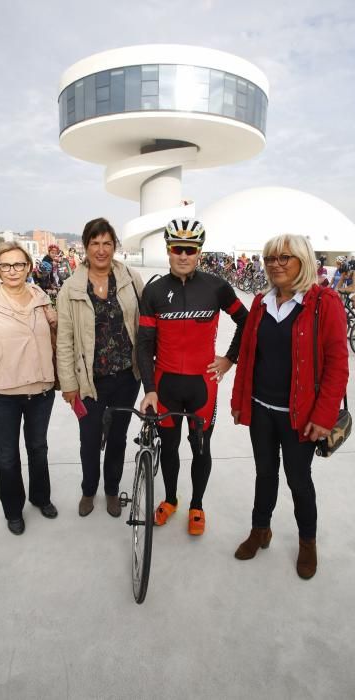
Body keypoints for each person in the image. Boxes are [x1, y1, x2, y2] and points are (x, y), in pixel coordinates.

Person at [231, 234, 348, 580]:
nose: (276, 264)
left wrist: (325, 417)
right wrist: (240, 402)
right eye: (270, 258)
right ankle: (260, 530)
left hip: (301, 418)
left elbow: (337, 367)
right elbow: (249, 357)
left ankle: (307, 543)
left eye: (285, 257)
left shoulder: (323, 303)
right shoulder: (260, 303)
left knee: (299, 481)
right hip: (262, 411)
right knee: (264, 474)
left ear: (303, 260)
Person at [138, 218, 248, 536]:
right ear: (168, 250)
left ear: (199, 251)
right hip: (166, 386)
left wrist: (229, 360)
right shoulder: (154, 291)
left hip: (203, 386)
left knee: (201, 449)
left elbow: (246, 320)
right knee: (169, 448)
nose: (183, 255)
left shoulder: (216, 287)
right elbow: (145, 344)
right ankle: (171, 499)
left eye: (190, 249)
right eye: (176, 249)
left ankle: (196, 505)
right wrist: (149, 389)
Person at [0, 242, 58, 536]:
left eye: (19, 264)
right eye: (5, 265)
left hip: (40, 391)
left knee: (38, 449)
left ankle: (41, 497)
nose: (12, 271)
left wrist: (55, 322)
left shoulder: (42, 299)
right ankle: (13, 510)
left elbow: (57, 337)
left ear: (28, 267)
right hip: (3, 395)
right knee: (7, 456)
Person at [56, 217, 143, 518]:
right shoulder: (70, 288)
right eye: (95, 243)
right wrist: (68, 384)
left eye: (107, 243)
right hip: (89, 380)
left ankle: (110, 491)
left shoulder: (131, 278)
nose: (101, 250)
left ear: (115, 246)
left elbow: (147, 324)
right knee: (89, 439)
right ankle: (88, 489)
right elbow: (64, 341)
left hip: (127, 377)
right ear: (85, 246)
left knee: (118, 437)